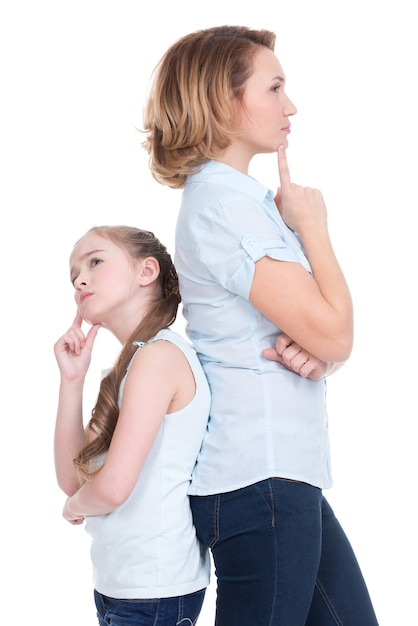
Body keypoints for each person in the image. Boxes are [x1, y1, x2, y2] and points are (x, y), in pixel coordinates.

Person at [142, 25, 379, 626]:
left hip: (281, 476)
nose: (290, 105)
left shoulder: (237, 200)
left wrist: (324, 356)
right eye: (274, 88)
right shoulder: (226, 204)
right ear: (224, 101)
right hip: (260, 479)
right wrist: (315, 227)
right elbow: (336, 329)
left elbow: (327, 339)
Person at [53, 225, 211, 626]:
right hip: (120, 586)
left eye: (95, 262)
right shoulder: (129, 367)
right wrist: (72, 381)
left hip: (154, 590)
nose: (80, 279)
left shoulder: (158, 357)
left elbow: (109, 489)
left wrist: (72, 509)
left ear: (146, 272)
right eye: (74, 276)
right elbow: (75, 479)